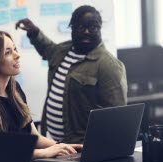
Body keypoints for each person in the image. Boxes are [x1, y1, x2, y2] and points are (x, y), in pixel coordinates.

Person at [0, 30, 82, 159]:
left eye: (14, 49)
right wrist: (42, 153)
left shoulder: (15, 90)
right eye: (8, 52)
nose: (17, 55)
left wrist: (64, 147)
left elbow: (34, 138)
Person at [15, 5, 127, 144]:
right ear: (72, 28)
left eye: (93, 27)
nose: (87, 32)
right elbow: (47, 48)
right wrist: (34, 32)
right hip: (51, 141)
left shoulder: (109, 65)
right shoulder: (63, 50)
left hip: (81, 147)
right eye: (81, 27)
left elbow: (116, 117)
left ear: (99, 29)